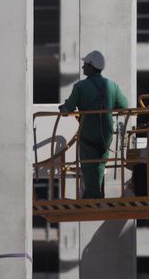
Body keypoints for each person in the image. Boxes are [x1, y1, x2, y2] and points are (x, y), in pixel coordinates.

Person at [59, 50, 129, 199]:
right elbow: (124, 105)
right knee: (100, 165)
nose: (83, 67)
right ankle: (98, 195)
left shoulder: (80, 87)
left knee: (88, 166)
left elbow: (67, 109)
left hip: (89, 133)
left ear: (91, 66)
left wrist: (62, 108)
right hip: (106, 134)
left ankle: (93, 197)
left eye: (85, 65)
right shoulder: (112, 86)